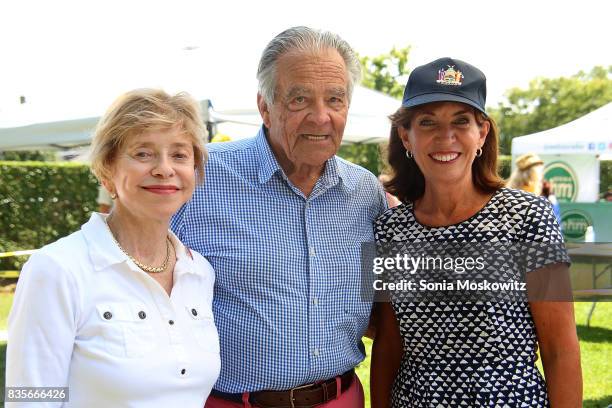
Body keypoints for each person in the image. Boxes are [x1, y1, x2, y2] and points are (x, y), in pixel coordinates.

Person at [171, 26, 387, 407]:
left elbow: (381, 310)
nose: (321, 117)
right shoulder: (200, 178)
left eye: (335, 99)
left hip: (342, 398)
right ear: (265, 107)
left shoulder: (365, 193)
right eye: (300, 99)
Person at [371, 58, 582, 407]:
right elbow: (390, 343)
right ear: (406, 136)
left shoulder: (530, 218)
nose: (445, 137)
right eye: (427, 122)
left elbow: (560, 348)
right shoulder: (389, 229)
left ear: (481, 133)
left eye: (460, 121)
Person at [6, 89, 220, 407]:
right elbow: (30, 398)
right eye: (144, 153)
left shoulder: (198, 271)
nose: (164, 169)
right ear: (107, 170)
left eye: (179, 155)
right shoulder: (57, 269)